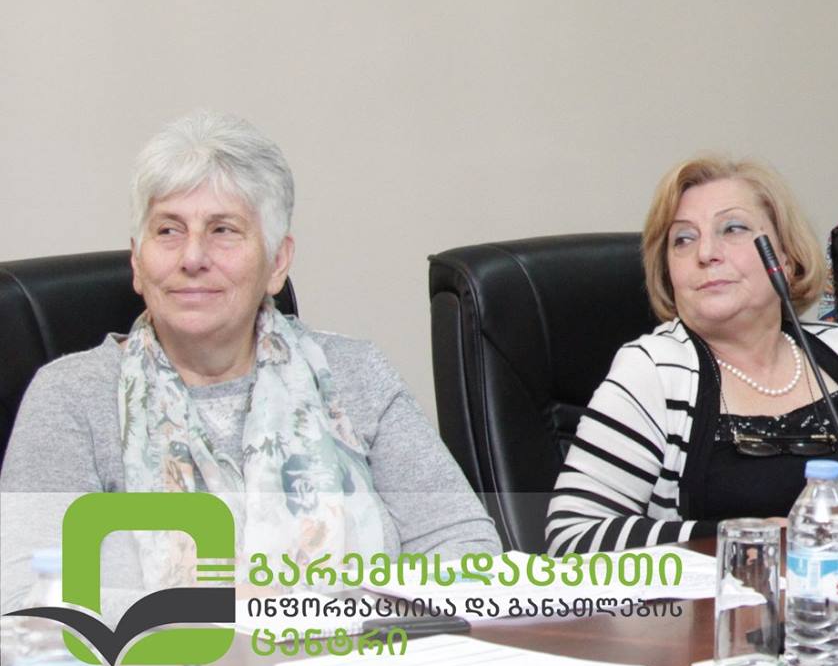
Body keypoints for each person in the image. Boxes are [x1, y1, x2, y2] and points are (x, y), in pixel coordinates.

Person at [0, 112, 499, 607]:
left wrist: (331, 619)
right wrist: (230, 610)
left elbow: (467, 550)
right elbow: (26, 602)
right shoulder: (71, 397)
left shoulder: (355, 373)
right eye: (168, 230)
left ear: (277, 262)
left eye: (223, 230)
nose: (192, 257)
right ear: (137, 261)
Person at [547, 156, 838, 551]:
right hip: (725, 607)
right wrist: (750, 538)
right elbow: (572, 538)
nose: (706, 253)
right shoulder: (653, 371)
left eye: (733, 229)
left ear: (786, 257)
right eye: (683, 239)